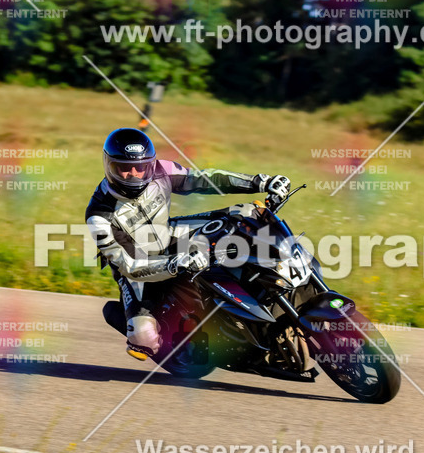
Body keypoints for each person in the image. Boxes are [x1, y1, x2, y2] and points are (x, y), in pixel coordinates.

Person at [85, 127, 291, 360]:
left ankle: (263, 282)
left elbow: (204, 179)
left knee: (248, 213)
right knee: (143, 339)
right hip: (138, 266)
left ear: (150, 164)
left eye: (141, 168)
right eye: (123, 168)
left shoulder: (162, 170)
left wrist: (260, 182)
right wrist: (175, 264)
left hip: (168, 234)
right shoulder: (99, 216)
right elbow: (130, 266)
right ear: (109, 166)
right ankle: (135, 318)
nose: (133, 174)